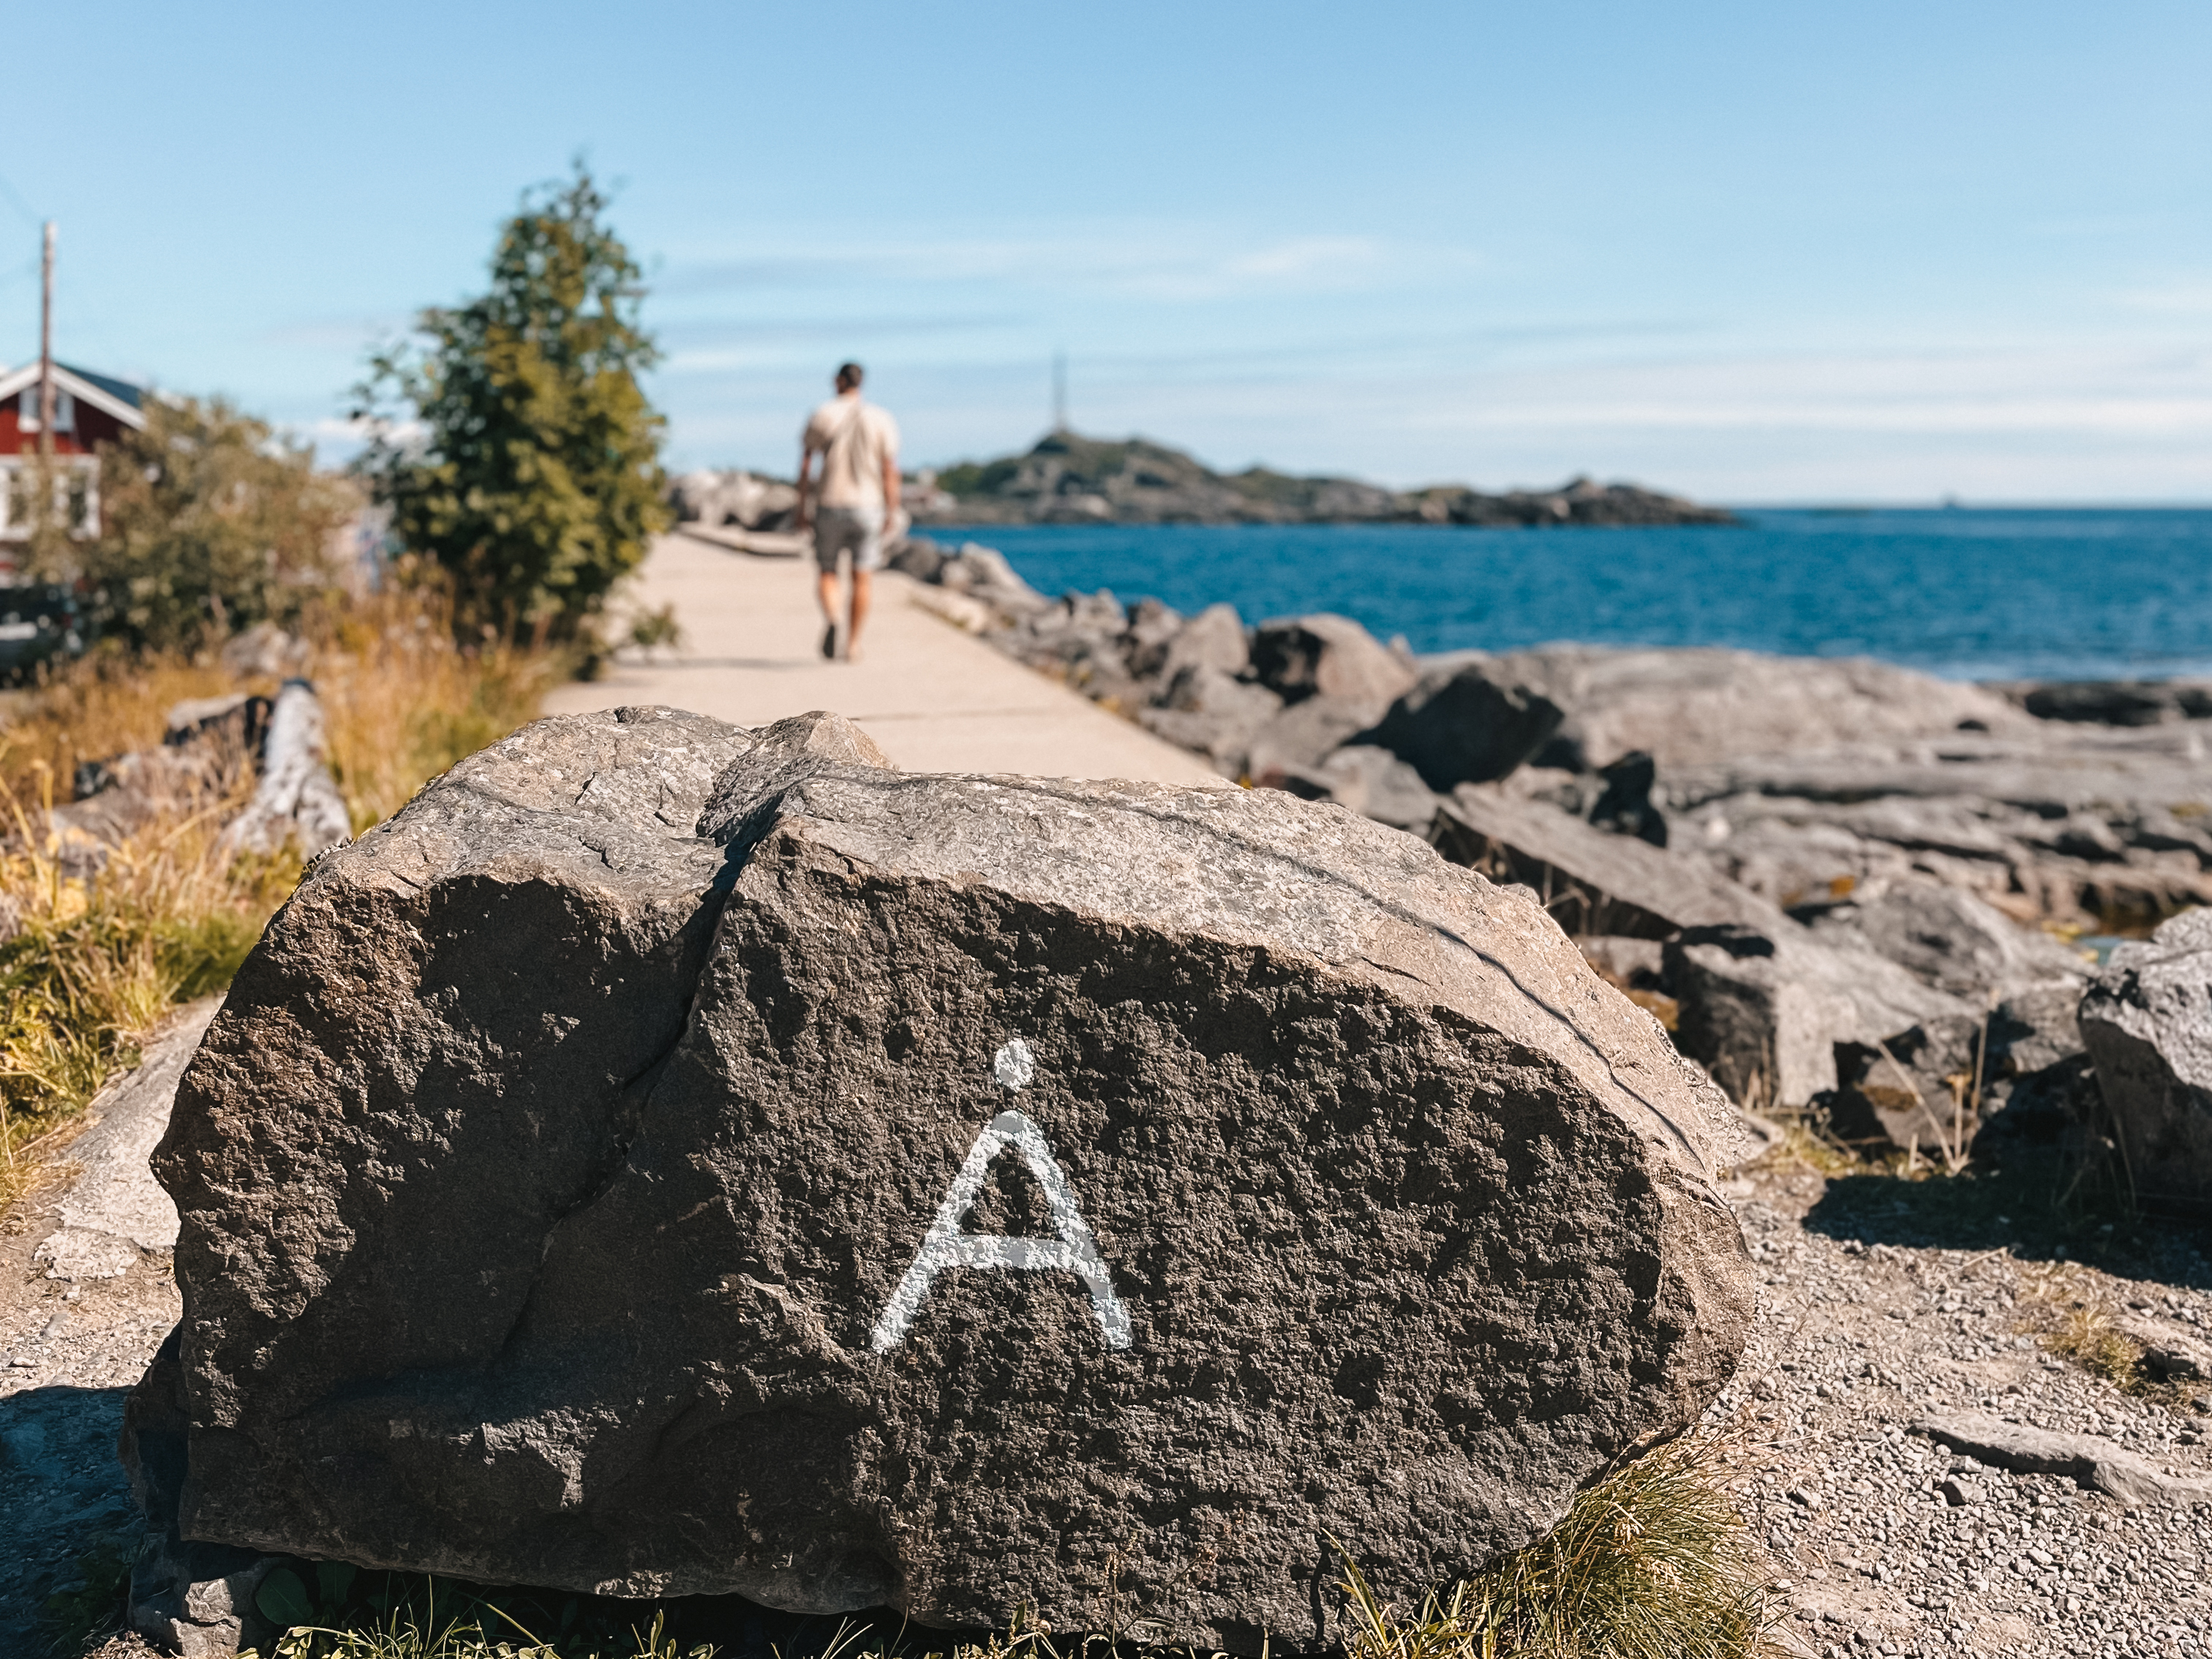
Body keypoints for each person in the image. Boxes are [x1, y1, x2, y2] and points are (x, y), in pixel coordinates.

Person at [795, 362, 901, 662]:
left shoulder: (823, 414)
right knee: (862, 577)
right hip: (869, 506)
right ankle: (853, 645)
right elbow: (889, 469)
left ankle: (832, 616)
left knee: (827, 570)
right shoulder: (881, 418)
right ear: (861, 382)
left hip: (831, 503)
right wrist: (891, 510)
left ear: (839, 381)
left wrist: (802, 506)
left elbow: (806, 465)